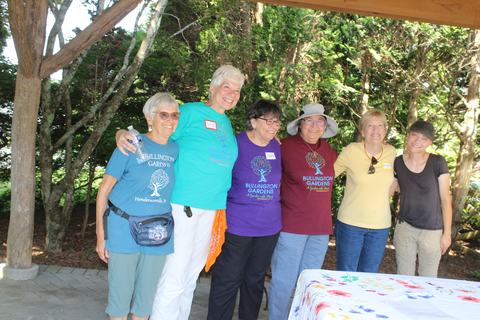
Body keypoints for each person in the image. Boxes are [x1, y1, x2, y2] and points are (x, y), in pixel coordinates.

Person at [116, 65, 245, 320]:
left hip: (211, 208)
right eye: (227, 86)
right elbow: (157, 132)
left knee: (190, 278)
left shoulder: (226, 123)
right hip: (182, 206)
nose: (231, 93)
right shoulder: (190, 113)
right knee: (174, 277)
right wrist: (124, 134)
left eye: (237, 90)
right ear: (213, 87)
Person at [96, 92, 179, 320]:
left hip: (158, 231)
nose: (170, 120)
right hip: (123, 227)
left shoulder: (175, 149)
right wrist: (101, 236)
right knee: (120, 302)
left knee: (144, 303)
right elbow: (104, 191)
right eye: (164, 114)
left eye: (174, 115)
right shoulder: (131, 144)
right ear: (149, 117)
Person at [206, 100, 282, 320]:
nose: (273, 126)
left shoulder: (277, 146)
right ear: (253, 121)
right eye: (268, 120)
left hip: (268, 228)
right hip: (237, 226)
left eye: (276, 121)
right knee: (227, 280)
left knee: (254, 281)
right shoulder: (234, 143)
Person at [268, 103, 338, 320]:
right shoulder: (283, 147)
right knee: (284, 280)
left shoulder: (330, 151)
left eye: (320, 121)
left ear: (325, 126)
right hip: (292, 226)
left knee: (309, 281)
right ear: (300, 124)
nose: (314, 125)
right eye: (309, 120)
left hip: (320, 228)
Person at [334, 109, 396, 273]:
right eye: (370, 126)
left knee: (369, 275)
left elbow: (398, 181)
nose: (375, 130)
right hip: (350, 224)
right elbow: (326, 175)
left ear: (385, 129)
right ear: (362, 130)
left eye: (380, 126)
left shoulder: (392, 153)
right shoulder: (351, 150)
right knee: (346, 274)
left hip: (380, 226)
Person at [393, 120, 452, 277]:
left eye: (424, 139)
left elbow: (446, 199)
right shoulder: (397, 162)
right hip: (405, 228)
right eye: (414, 135)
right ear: (408, 136)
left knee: (428, 279)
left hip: (432, 231)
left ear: (429, 143)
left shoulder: (437, 162)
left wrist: (447, 234)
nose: (417, 141)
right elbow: (394, 188)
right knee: (404, 277)